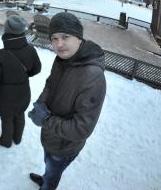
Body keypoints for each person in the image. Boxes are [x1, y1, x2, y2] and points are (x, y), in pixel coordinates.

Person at [28, 12, 106, 190]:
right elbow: (50, 83)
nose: (58, 44)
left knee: (54, 171)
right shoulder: (63, 58)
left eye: (65, 37)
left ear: (79, 38)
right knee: (49, 166)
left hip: (64, 147)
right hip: (50, 137)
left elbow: (82, 128)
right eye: (54, 38)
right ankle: (46, 178)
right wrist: (41, 104)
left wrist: (46, 120)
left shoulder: (92, 76)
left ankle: (47, 186)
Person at [0, 15, 41, 148]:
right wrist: (23, 76)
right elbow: (37, 68)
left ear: (7, 32)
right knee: (19, 114)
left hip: (5, 95)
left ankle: (6, 141)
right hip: (23, 92)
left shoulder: (0, 55)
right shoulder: (30, 49)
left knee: (7, 118)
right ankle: (17, 138)